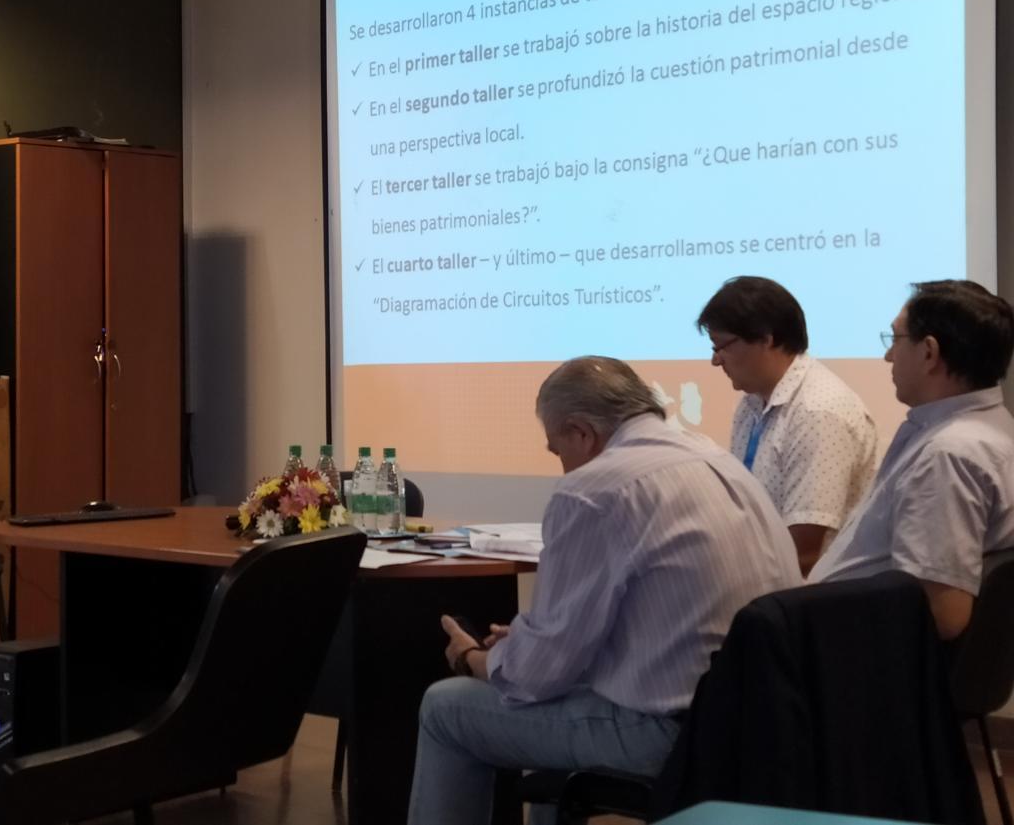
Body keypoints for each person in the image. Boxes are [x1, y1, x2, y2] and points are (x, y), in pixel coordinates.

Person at [407, 357, 801, 825]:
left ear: (581, 432)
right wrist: (531, 644)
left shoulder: (594, 489)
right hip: (761, 725)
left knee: (447, 706)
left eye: (557, 450)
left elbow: (536, 676)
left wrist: (474, 659)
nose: (561, 466)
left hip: (669, 737)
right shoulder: (718, 460)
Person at [809, 280, 1014, 640]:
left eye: (895, 339)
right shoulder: (985, 426)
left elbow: (942, 615)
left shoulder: (948, 454)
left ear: (929, 353)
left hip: (856, 654)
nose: (888, 356)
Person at [697, 276, 877, 574]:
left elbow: (805, 552)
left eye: (721, 346)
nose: (715, 361)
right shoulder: (752, 402)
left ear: (765, 339)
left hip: (813, 593)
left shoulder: (818, 412)